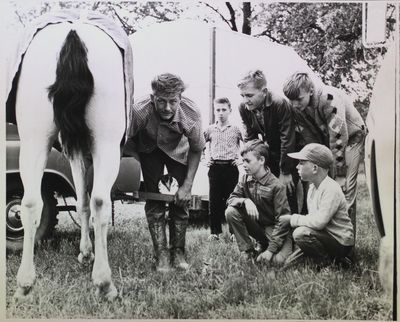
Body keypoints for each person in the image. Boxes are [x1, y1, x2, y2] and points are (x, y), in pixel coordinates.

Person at [124, 73, 205, 272]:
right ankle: (161, 254)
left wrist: (187, 185)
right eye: (161, 102)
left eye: (172, 102)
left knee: (180, 200)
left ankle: (178, 252)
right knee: (156, 200)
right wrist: (138, 157)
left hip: (179, 151)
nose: (167, 108)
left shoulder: (191, 113)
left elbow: (197, 149)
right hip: (148, 150)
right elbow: (124, 138)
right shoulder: (139, 111)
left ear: (180, 98)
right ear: (153, 98)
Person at [282, 72, 366, 235]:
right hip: (328, 140)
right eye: (291, 100)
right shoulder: (297, 107)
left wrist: (337, 172)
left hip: (351, 138)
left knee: (344, 186)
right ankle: (323, 237)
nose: (294, 104)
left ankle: (346, 243)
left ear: (311, 91)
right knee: (320, 184)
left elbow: (339, 137)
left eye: (298, 99)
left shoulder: (328, 98)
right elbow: (310, 138)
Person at [279, 143, 354, 265]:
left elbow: (319, 222)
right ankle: (325, 258)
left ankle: (329, 264)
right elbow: (313, 219)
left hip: (340, 241)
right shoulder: (312, 188)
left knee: (300, 233)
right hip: (324, 236)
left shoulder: (331, 189)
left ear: (314, 168)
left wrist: (292, 219)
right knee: (289, 264)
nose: (297, 167)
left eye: (301, 163)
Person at [237, 69, 299, 213]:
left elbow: (287, 139)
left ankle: (292, 230)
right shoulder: (244, 107)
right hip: (267, 153)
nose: (246, 100)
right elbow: (250, 138)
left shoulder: (279, 103)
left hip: (287, 155)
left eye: (249, 95)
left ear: (264, 92)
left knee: (287, 192)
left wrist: (286, 171)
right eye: (242, 95)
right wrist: (253, 162)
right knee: (265, 193)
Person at [225, 140, 293, 265]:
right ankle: (248, 251)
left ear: (261, 160)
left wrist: (271, 250)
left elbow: (282, 222)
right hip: (259, 228)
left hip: (276, 231)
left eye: (248, 161)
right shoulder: (245, 179)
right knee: (231, 211)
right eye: (243, 160)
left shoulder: (276, 186)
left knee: (279, 262)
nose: (243, 164)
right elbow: (231, 199)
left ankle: (268, 248)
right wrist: (245, 201)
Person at [203, 97, 243, 241]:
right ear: (214, 111)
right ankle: (215, 232)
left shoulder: (236, 129)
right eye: (218, 110)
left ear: (230, 110)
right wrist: (205, 159)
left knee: (231, 200)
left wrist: (241, 159)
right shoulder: (209, 129)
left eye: (224, 110)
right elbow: (199, 145)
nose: (220, 113)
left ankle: (234, 233)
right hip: (215, 169)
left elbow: (249, 144)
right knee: (214, 201)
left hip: (230, 168)